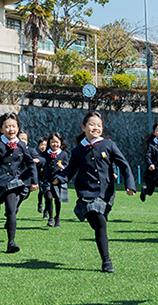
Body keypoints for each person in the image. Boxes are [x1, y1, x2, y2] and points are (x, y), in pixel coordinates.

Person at [54, 111, 135, 273]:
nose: (96, 128)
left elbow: (124, 165)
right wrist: (59, 178)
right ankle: (106, 261)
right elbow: (70, 170)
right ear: (84, 127)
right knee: (100, 222)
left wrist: (130, 184)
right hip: (86, 192)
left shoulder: (109, 145)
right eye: (92, 124)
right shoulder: (78, 151)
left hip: (106, 193)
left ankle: (85, 213)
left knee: (99, 221)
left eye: (99, 125)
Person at [0, 112, 39, 253]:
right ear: (1, 129)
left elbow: (31, 163)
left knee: (11, 211)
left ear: (18, 128)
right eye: (7, 127)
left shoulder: (21, 145)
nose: (11, 129)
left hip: (12, 182)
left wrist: (34, 181)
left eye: (13, 126)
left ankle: (11, 243)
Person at [42, 132, 69, 228]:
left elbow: (67, 168)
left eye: (57, 142)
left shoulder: (63, 154)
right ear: (49, 143)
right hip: (47, 181)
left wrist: (62, 167)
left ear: (61, 143)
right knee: (49, 198)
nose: (55, 144)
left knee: (58, 200)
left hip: (58, 181)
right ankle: (50, 217)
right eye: (53, 142)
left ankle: (57, 218)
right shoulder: (45, 154)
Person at [35, 137, 48, 217]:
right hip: (39, 176)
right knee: (41, 191)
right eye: (41, 145)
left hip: (47, 176)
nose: (43, 147)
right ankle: (40, 203)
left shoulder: (50, 155)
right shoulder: (37, 155)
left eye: (45, 145)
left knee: (47, 195)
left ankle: (46, 211)